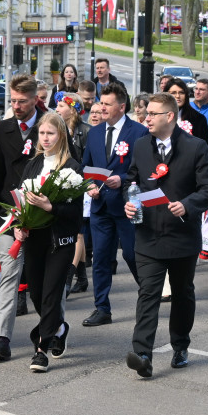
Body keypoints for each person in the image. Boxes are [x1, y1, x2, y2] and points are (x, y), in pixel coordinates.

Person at [123, 92, 208, 378]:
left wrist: (186, 205)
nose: (146, 118)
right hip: (148, 234)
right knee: (148, 294)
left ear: (170, 116)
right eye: (145, 113)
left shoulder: (195, 147)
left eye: (152, 114)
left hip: (181, 235)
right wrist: (130, 202)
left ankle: (180, 345)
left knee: (182, 294)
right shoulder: (141, 146)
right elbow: (132, 180)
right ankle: (142, 354)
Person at [16, 111, 83, 372]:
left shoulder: (71, 167)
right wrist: (19, 226)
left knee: (52, 294)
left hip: (61, 240)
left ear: (61, 135)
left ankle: (41, 350)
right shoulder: (32, 164)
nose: (45, 138)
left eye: (51, 133)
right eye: (42, 133)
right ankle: (59, 327)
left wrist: (50, 206)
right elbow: (20, 201)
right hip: (35, 239)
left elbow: (76, 215)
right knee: (36, 293)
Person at [0, 74, 44, 361]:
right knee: (8, 275)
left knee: (40, 280)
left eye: (22, 101)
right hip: (10, 212)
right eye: (13, 101)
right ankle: (1, 338)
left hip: (41, 213)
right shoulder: (3, 127)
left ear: (35, 99)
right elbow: (2, 171)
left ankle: (53, 329)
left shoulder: (50, 126)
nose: (16, 106)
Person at [82, 83, 149, 327]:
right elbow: (86, 166)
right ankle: (102, 308)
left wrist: (121, 179)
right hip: (100, 207)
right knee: (100, 258)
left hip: (127, 206)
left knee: (132, 255)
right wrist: (89, 184)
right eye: (101, 102)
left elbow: (145, 170)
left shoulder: (138, 132)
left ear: (122, 107)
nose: (101, 108)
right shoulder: (95, 133)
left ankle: (148, 298)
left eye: (107, 104)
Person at [55, 92, 91, 294]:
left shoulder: (84, 131)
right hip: (63, 183)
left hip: (81, 183)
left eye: (61, 105)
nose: (57, 109)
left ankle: (69, 276)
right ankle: (83, 277)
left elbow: (86, 159)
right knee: (78, 232)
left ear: (72, 109)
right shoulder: (58, 128)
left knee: (77, 231)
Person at [167, 78, 208, 146]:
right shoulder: (158, 116)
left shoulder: (198, 119)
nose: (178, 96)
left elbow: (205, 149)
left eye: (181, 93)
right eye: (173, 93)